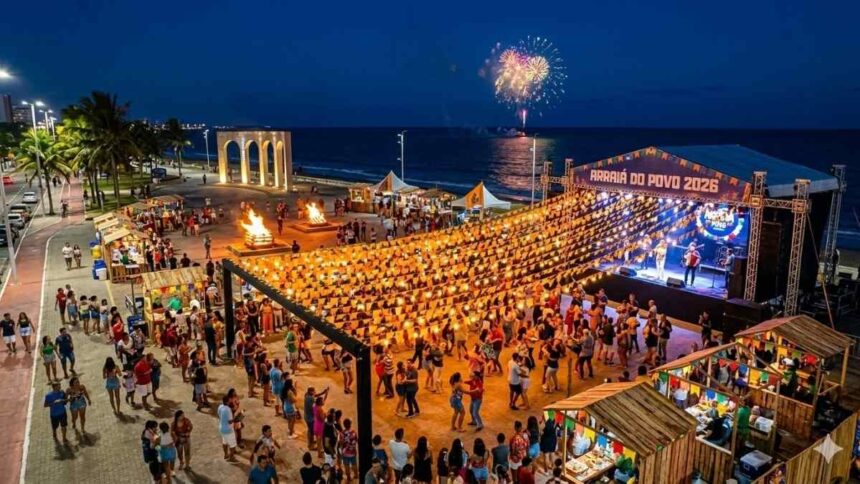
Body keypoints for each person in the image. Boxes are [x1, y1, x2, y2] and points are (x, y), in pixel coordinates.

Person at [218, 394, 237, 461]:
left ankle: (226, 455)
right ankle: (231, 457)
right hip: (228, 430)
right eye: (229, 400)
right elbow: (230, 421)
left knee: (225, 442)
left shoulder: (220, 407)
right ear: (227, 402)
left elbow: (219, 415)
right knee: (233, 445)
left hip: (221, 428)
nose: (230, 401)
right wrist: (235, 419)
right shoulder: (228, 409)